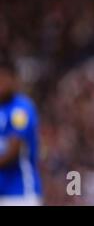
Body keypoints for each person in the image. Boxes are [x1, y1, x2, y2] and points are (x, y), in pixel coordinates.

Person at [0, 54, 42, 205]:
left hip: (20, 193)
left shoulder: (21, 109)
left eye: (4, 78)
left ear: (13, 79)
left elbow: (13, 151)